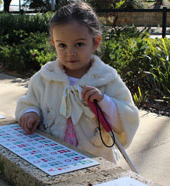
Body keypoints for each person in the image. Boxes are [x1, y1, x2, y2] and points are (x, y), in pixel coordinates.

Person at [15, 1, 139, 163]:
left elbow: (128, 116)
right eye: (62, 45)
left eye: (79, 44)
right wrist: (31, 113)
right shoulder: (45, 78)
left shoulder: (106, 79)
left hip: (96, 161)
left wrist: (104, 102)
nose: (70, 53)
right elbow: (29, 102)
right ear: (54, 43)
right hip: (52, 158)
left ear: (95, 42)